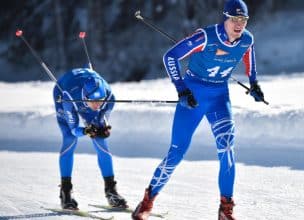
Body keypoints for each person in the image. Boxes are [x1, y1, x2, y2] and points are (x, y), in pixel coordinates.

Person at [131, 0, 265, 219]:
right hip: (193, 96)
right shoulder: (206, 37)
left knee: (227, 148)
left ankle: (225, 209)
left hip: (219, 97)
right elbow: (170, 57)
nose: (239, 24)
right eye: (234, 19)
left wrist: (254, 83)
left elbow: (249, 53)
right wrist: (182, 89)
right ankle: (148, 200)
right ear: (225, 19)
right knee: (177, 152)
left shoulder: (247, 39)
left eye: (243, 20)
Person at [53, 67, 127, 210]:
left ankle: (111, 191)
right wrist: (86, 130)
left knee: (100, 141)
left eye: (100, 101)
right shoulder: (69, 97)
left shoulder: (109, 97)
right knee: (69, 139)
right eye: (93, 101)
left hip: (83, 93)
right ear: (86, 97)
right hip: (64, 89)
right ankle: (66, 191)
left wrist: (102, 127)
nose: (97, 105)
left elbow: (103, 116)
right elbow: (74, 130)